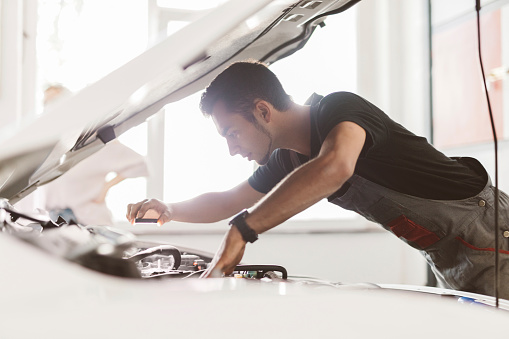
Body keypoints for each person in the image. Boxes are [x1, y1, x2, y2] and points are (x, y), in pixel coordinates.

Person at [126, 60, 509, 298]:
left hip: (490, 234)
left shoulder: (340, 109)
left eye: (231, 133)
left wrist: (241, 231)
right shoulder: (288, 159)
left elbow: (334, 167)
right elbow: (228, 200)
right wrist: (169, 209)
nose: (231, 149)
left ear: (262, 111)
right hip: (448, 253)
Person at [41, 84, 150, 225]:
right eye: (47, 102)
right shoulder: (47, 146)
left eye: (56, 100)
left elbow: (140, 164)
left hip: (90, 222)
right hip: (54, 222)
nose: (51, 106)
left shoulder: (93, 141)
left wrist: (106, 187)